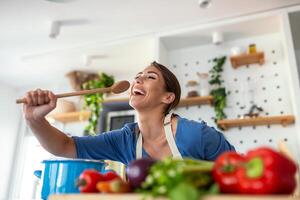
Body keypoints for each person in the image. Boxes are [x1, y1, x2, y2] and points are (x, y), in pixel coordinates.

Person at [23, 61, 235, 166]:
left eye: (150, 77)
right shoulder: (124, 140)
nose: (138, 80)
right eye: (138, 76)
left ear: (168, 97)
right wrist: (34, 120)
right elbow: (65, 146)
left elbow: (240, 173)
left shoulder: (198, 135)